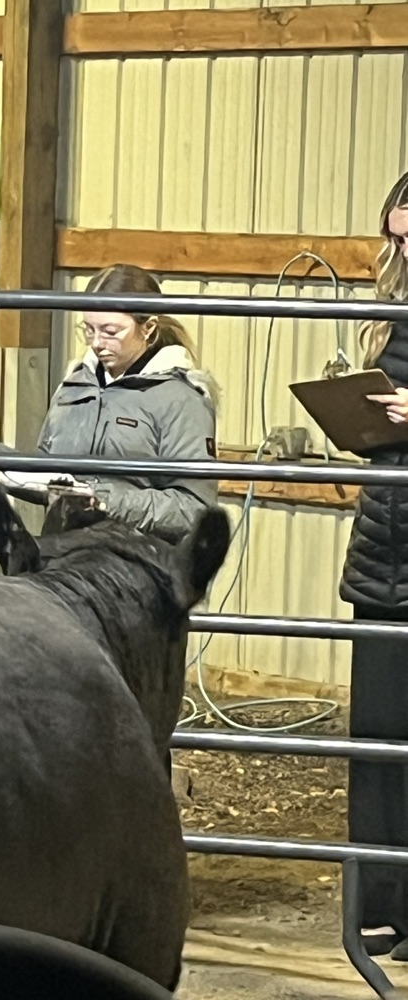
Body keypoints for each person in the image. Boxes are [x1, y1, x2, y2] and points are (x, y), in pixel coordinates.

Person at [0, 263, 219, 539]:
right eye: (89, 329)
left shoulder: (182, 400)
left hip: (132, 554)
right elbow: (47, 472)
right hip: (63, 547)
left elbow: (192, 508)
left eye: (110, 332)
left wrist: (102, 499)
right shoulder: (75, 384)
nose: (96, 343)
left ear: (148, 327)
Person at [340, 170, 408, 961]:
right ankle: (383, 901)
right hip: (386, 536)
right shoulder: (388, 310)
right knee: (379, 735)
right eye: (398, 238)